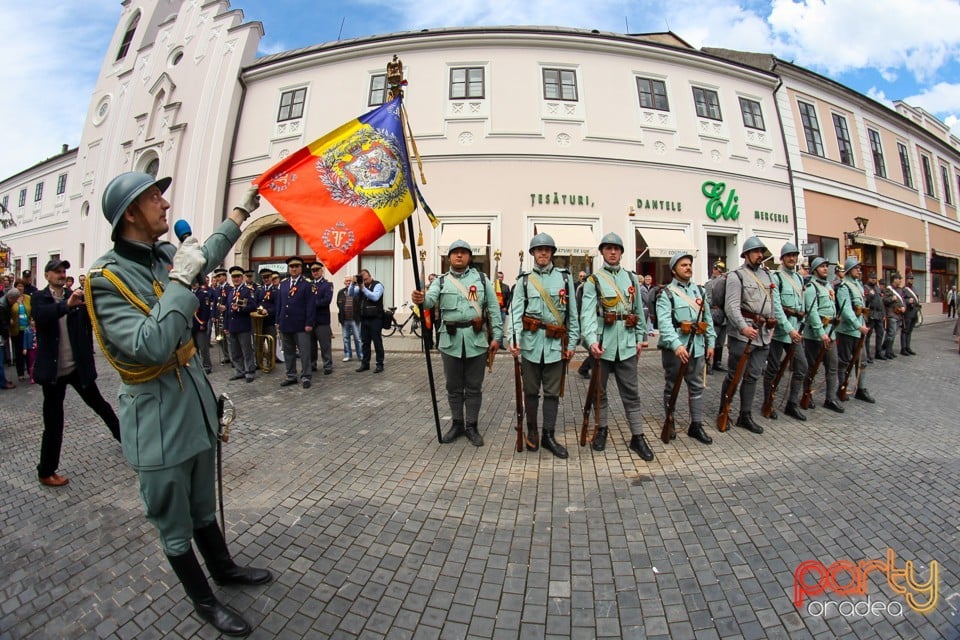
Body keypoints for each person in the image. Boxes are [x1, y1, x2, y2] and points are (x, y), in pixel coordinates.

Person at [86, 172, 271, 636]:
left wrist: (241, 213)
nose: (165, 206)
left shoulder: (165, 255)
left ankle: (224, 569)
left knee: (203, 504)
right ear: (130, 212)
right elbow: (151, 345)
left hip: (193, 404)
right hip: (157, 419)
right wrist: (181, 282)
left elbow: (203, 254)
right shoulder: (105, 279)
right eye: (154, 199)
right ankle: (204, 602)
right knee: (174, 520)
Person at [33, 258, 121, 486]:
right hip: (53, 373)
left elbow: (92, 320)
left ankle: (126, 440)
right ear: (47, 276)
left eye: (63, 271)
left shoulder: (77, 296)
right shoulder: (39, 298)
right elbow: (42, 316)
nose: (61, 275)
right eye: (57, 272)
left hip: (76, 368)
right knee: (53, 424)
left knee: (101, 405)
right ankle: (46, 471)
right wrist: (66, 306)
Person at [412, 240, 502, 446]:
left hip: (476, 340)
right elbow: (429, 301)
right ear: (449, 257)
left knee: (474, 387)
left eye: (463, 253)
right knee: (453, 386)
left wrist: (497, 337)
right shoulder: (441, 281)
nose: (459, 256)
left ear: (469, 257)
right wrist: (419, 299)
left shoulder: (481, 279)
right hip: (450, 341)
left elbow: (494, 309)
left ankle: (472, 426)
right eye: (455, 253)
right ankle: (457, 424)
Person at [579, 232, 653, 459]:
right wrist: (591, 341)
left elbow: (639, 311)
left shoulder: (631, 279)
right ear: (602, 252)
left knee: (631, 393)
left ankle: (637, 436)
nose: (612, 252)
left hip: (628, 344)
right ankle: (601, 429)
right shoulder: (594, 281)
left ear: (621, 252)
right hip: (603, 345)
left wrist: (641, 338)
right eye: (608, 248)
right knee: (600, 393)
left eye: (617, 248)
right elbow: (588, 314)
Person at [507, 234, 579, 458]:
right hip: (529, 345)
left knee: (551, 393)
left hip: (556, 346)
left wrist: (573, 342)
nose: (543, 253)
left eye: (547, 249)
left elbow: (572, 316)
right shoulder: (524, 281)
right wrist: (513, 340)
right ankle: (532, 432)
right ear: (533, 253)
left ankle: (548, 435)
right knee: (530, 391)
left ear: (552, 253)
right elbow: (515, 312)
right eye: (539, 250)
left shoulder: (565, 279)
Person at [721, 236, 786, 434]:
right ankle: (724, 410)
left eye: (762, 252)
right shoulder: (736, 276)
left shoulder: (768, 276)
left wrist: (773, 321)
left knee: (754, 376)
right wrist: (743, 328)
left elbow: (774, 302)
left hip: (764, 334)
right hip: (744, 334)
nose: (760, 255)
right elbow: (731, 307)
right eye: (756, 251)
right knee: (734, 375)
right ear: (746, 254)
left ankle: (745, 415)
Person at [656, 251, 715, 444]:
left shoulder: (700, 292)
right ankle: (669, 421)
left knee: (697, 387)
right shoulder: (666, 294)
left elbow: (708, 320)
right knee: (672, 387)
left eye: (689, 264)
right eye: (683, 265)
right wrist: (676, 345)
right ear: (674, 270)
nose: (688, 267)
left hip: (697, 347)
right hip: (676, 351)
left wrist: (711, 342)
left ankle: (696, 426)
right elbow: (664, 324)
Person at [761, 242, 809, 421]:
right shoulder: (776, 278)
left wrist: (799, 324)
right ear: (782, 258)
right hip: (780, 333)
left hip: (795, 331)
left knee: (801, 367)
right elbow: (777, 307)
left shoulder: (798, 278)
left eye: (794, 256)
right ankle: (768, 402)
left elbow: (801, 305)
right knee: (773, 369)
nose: (792, 258)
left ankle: (792, 404)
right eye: (789, 256)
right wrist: (789, 330)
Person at [801, 258, 843, 412]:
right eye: (822, 267)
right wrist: (821, 333)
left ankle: (830, 398)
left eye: (826, 266)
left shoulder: (827, 287)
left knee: (833, 367)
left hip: (830, 333)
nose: (825, 269)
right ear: (814, 269)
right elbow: (812, 313)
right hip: (815, 335)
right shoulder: (812, 287)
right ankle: (807, 395)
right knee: (812, 368)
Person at [835, 256, 875, 403]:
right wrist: (858, 326)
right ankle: (842, 388)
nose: (859, 271)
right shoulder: (843, 287)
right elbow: (846, 310)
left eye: (859, 268)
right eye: (857, 268)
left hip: (859, 330)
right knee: (844, 362)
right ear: (850, 270)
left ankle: (861, 388)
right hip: (847, 330)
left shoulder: (858, 285)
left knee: (862, 361)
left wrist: (862, 323)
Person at [277, 256, 317, 388]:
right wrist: (278, 320)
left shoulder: (307, 284)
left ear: (301, 268)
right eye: (291, 267)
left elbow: (310, 306)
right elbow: (280, 304)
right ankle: (291, 376)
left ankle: (306, 376)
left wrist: (309, 323)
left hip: (301, 325)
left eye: (296, 266)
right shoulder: (283, 284)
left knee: (304, 352)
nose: (294, 269)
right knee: (288, 352)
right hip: (285, 324)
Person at [222, 266, 256, 382]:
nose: (236, 279)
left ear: (242, 278)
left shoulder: (247, 291)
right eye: (234, 277)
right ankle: (239, 371)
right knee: (235, 351)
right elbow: (227, 310)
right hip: (232, 326)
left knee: (246, 350)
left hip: (243, 325)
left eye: (238, 277)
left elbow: (253, 306)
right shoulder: (231, 292)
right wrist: (226, 326)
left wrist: (240, 309)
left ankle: (250, 372)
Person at [350, 269, 386, 373]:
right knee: (365, 343)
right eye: (362, 280)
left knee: (377, 342)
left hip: (376, 319)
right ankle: (365, 364)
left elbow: (375, 297)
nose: (364, 281)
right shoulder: (361, 286)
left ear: (370, 276)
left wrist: (363, 288)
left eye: (366, 279)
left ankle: (380, 364)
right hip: (364, 319)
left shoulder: (378, 285)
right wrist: (353, 283)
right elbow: (350, 294)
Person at [309, 261, 334, 375]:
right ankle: (312, 364)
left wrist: (313, 304)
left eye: (317, 270)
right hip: (310, 320)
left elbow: (327, 300)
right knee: (311, 345)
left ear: (321, 271)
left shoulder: (327, 285)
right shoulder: (309, 285)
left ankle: (327, 365)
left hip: (322, 320)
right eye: (313, 271)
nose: (315, 273)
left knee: (325, 345)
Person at [704, 260, 728, 374]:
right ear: (714, 269)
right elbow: (708, 300)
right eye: (718, 269)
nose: (720, 272)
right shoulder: (709, 283)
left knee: (721, 341)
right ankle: (707, 363)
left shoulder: (726, 281)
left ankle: (717, 362)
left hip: (724, 314)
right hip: (715, 313)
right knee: (711, 339)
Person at [336, 276, 362, 362]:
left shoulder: (357, 291)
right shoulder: (340, 292)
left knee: (357, 338)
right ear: (344, 282)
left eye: (350, 281)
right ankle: (347, 355)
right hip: (345, 319)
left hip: (355, 319)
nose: (348, 282)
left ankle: (360, 355)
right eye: (346, 281)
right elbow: (338, 303)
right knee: (346, 338)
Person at [881, 273, 906, 360]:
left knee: (894, 334)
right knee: (891, 334)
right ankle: (888, 351)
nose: (900, 280)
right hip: (891, 314)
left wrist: (903, 307)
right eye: (899, 279)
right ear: (894, 279)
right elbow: (884, 301)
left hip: (899, 315)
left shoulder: (900, 290)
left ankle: (890, 351)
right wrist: (892, 299)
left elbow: (903, 301)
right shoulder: (888, 289)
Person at [575, 269, 594, 379]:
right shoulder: (581, 288)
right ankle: (584, 368)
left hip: (593, 319)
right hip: (585, 319)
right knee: (593, 347)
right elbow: (579, 304)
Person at [191, 279, 213, 374]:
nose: (193, 285)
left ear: (198, 283)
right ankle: (197, 365)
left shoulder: (203, 294)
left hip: (200, 324)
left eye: (195, 282)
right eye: (192, 283)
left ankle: (207, 366)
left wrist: (203, 323)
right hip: (192, 325)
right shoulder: (189, 293)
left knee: (203, 347)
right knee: (194, 347)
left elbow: (206, 310)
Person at [863, 271, 885, 363]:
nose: (874, 280)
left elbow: (881, 302)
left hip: (879, 314)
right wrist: (870, 295)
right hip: (871, 314)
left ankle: (878, 352)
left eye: (875, 279)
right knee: (868, 336)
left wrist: (883, 314)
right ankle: (867, 355)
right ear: (869, 279)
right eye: (872, 278)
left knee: (880, 333)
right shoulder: (865, 287)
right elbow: (864, 301)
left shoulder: (877, 288)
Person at [900, 274, 920, 355]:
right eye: (909, 279)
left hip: (914, 312)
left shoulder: (914, 288)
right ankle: (903, 348)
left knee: (910, 331)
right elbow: (902, 299)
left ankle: (908, 347)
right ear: (907, 279)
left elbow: (916, 298)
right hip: (908, 312)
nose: (911, 280)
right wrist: (908, 301)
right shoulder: (904, 289)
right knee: (905, 330)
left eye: (912, 279)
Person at [494, 270, 511, 349]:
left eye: (501, 277)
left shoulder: (506, 287)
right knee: (494, 327)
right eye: (498, 277)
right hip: (494, 310)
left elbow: (509, 299)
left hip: (502, 310)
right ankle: (494, 343)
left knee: (501, 327)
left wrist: (506, 308)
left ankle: (500, 344)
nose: (500, 278)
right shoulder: (493, 286)